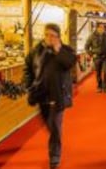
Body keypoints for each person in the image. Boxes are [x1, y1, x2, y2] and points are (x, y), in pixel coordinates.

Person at [24, 23, 76, 169]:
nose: (49, 38)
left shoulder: (65, 50)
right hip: (41, 95)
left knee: (55, 126)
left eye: (53, 35)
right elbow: (28, 68)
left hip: (58, 95)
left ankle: (54, 157)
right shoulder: (36, 51)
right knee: (49, 125)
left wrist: (58, 50)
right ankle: (55, 141)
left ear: (59, 37)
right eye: (47, 35)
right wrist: (29, 85)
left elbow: (70, 63)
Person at [85, 22, 106, 93]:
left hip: (105, 57)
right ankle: (99, 86)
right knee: (98, 72)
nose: (102, 29)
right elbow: (86, 46)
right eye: (101, 27)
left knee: (105, 71)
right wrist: (91, 54)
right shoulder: (92, 36)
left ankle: (105, 86)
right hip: (97, 57)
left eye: (103, 27)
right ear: (97, 28)